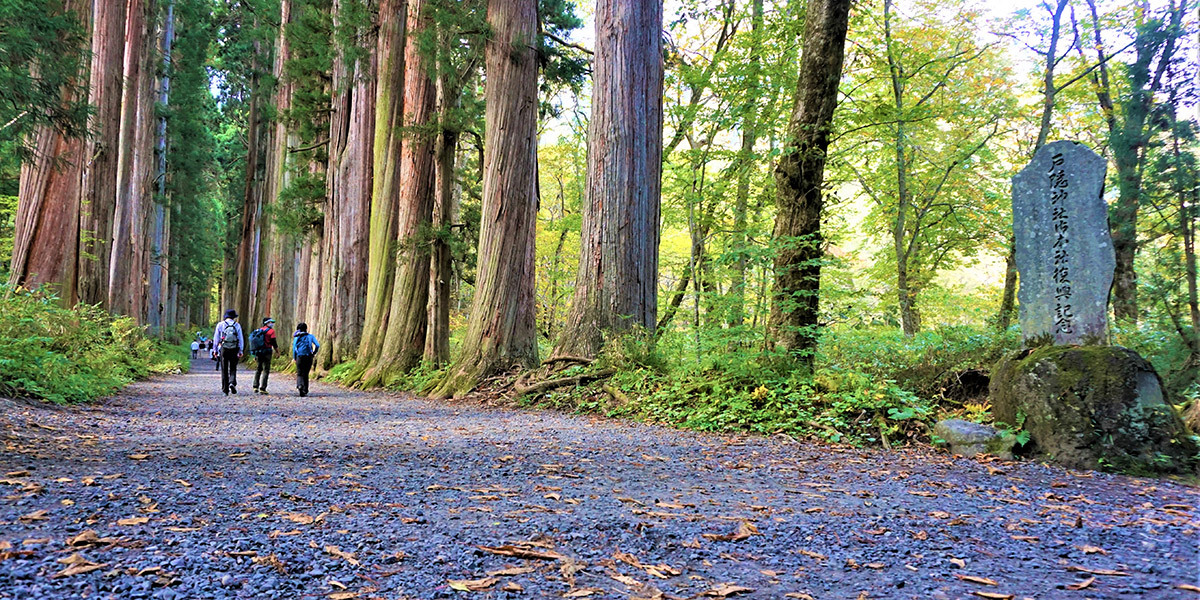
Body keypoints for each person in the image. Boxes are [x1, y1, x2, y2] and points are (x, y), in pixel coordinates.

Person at [212, 309, 244, 395]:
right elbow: (240, 338)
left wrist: (215, 350)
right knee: (233, 367)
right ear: (234, 317)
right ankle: (232, 382)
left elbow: (216, 338)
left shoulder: (220, 325)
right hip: (234, 348)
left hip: (224, 348)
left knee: (224, 368)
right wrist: (241, 350)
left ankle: (225, 390)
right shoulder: (237, 325)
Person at [251, 317, 279, 395]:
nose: (272, 324)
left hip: (259, 352)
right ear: (266, 323)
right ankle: (263, 388)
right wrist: (277, 351)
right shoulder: (271, 331)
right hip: (267, 351)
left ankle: (255, 386)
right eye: (270, 322)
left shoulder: (259, 330)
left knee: (258, 369)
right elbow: (274, 342)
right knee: (266, 369)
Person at [291, 322, 320, 397]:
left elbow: (294, 348)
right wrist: (314, 353)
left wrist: (294, 357)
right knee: (306, 373)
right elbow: (317, 345)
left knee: (300, 373)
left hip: (299, 356)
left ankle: (300, 385)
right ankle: (305, 389)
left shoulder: (296, 337)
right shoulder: (310, 336)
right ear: (306, 329)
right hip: (308, 356)